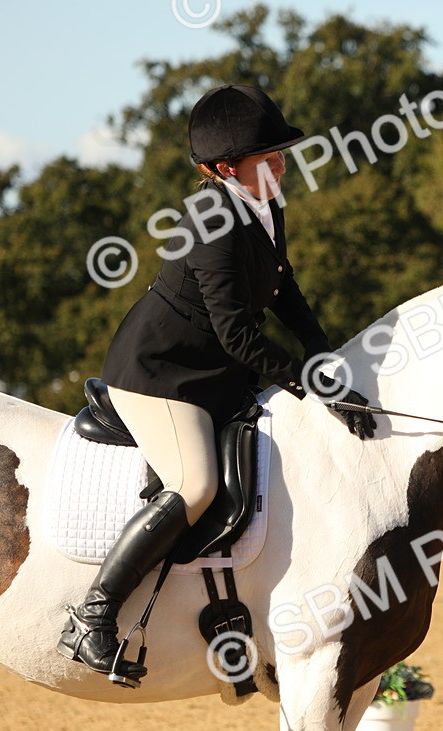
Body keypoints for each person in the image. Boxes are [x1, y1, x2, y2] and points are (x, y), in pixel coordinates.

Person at [57, 84, 376, 687]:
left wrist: (325, 356)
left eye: (281, 154)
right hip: (161, 375)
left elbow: (283, 288)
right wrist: (313, 384)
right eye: (270, 157)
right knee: (196, 484)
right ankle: (92, 617)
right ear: (228, 168)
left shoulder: (264, 204)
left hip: (214, 374)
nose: (283, 165)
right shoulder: (210, 220)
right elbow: (238, 336)